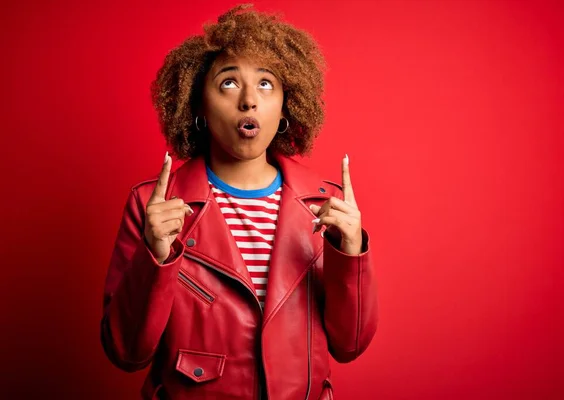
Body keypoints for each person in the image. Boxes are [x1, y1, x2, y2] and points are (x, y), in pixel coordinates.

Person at [100, 4, 378, 399]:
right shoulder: (152, 206)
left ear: (285, 105)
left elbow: (349, 346)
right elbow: (126, 353)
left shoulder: (327, 207)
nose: (249, 100)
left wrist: (351, 255)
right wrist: (155, 258)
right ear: (197, 105)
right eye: (228, 83)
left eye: (266, 84)